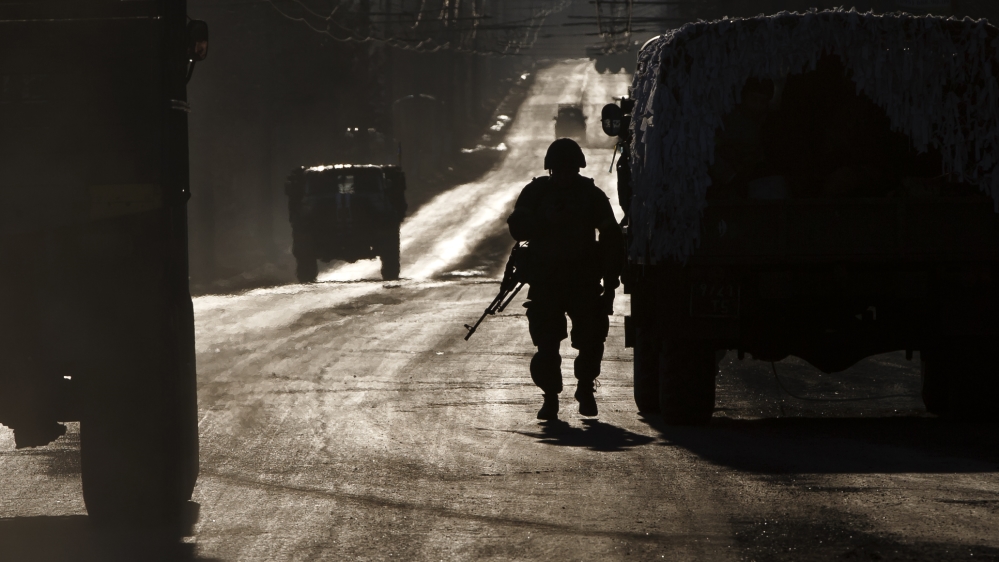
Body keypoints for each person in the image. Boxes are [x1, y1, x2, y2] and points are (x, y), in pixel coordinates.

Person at [507, 138, 624, 420]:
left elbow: (610, 240)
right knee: (547, 346)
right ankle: (550, 397)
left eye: (569, 169)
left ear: (578, 168)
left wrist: (610, 284)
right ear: (550, 170)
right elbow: (518, 230)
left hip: (582, 280)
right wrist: (543, 220)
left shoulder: (590, 195)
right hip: (547, 282)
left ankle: (585, 388)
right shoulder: (535, 193)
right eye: (558, 170)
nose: (563, 175)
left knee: (591, 341)